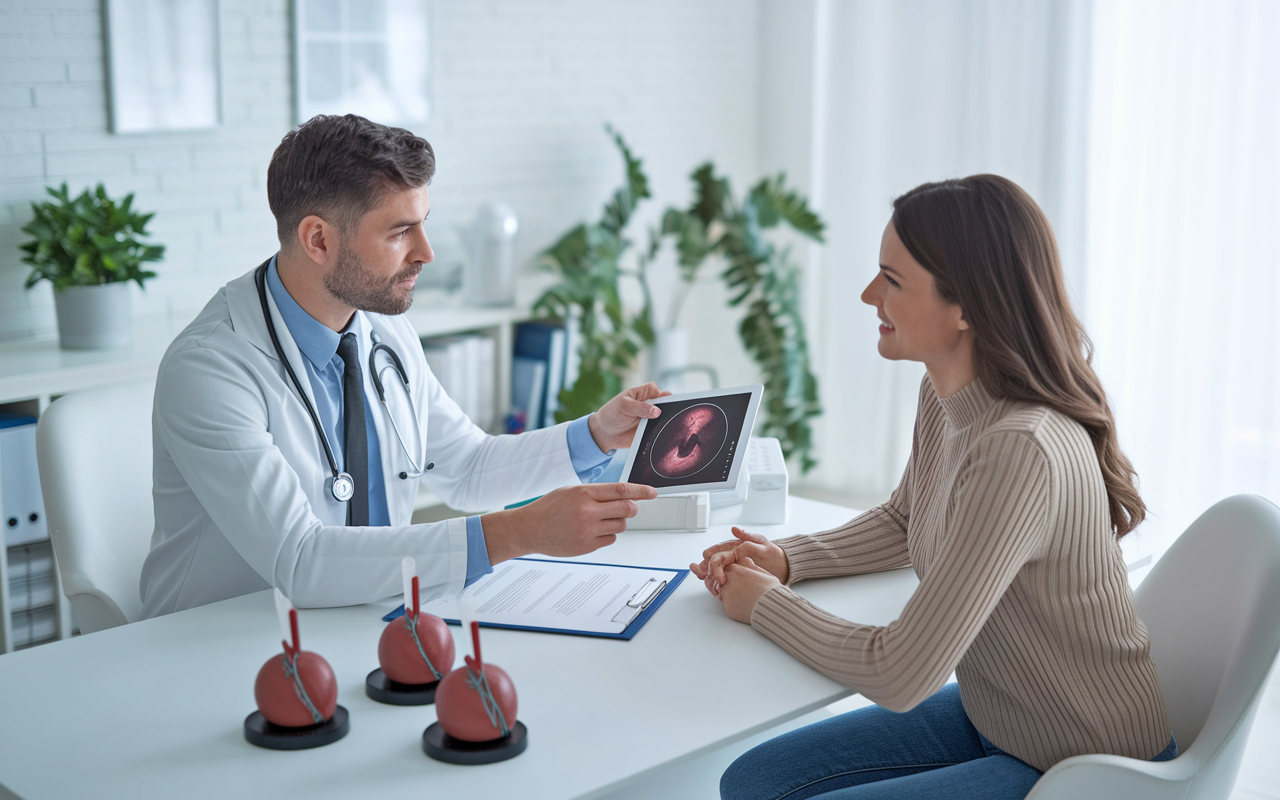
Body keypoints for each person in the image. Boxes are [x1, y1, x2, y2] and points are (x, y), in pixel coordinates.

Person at [692, 175, 1177, 799]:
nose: (869, 295)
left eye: (893, 281)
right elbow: (906, 518)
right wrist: (787, 560)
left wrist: (763, 603)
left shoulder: (1019, 447)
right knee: (752, 781)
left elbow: (902, 673)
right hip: (999, 716)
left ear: (967, 308)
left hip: (1088, 767)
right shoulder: (946, 394)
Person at [140, 114, 661, 618]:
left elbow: (467, 468)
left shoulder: (382, 330)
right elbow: (299, 560)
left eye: (423, 225)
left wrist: (596, 434)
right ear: (318, 239)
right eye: (400, 232)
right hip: (220, 640)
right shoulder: (211, 369)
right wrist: (520, 531)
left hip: (363, 615)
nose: (427, 253)